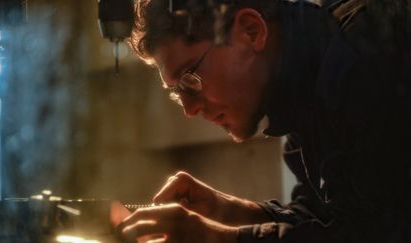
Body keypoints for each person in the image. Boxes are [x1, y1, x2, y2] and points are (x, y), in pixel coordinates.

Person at [113, 0, 411, 242]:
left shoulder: (366, 59)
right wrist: (228, 211)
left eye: (190, 79)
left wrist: (218, 239)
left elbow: (380, 233)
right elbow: (324, 218)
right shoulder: (300, 93)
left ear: (251, 31)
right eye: (178, 93)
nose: (189, 110)